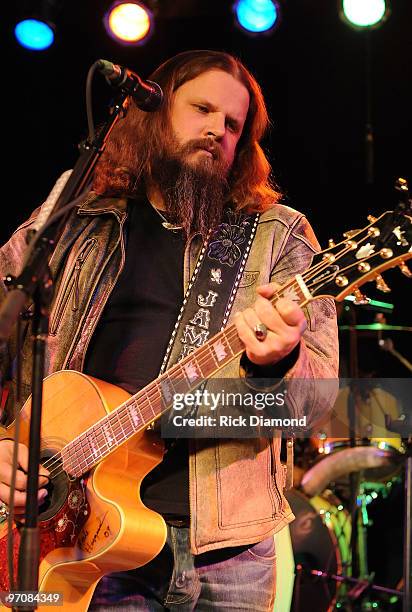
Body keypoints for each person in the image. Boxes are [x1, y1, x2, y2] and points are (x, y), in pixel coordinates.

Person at [0, 50, 338, 611]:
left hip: (230, 555)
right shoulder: (78, 220)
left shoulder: (279, 235)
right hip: (79, 540)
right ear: (154, 112)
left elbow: (318, 400)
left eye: (233, 125)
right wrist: (5, 445)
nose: (216, 131)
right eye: (201, 109)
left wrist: (277, 364)